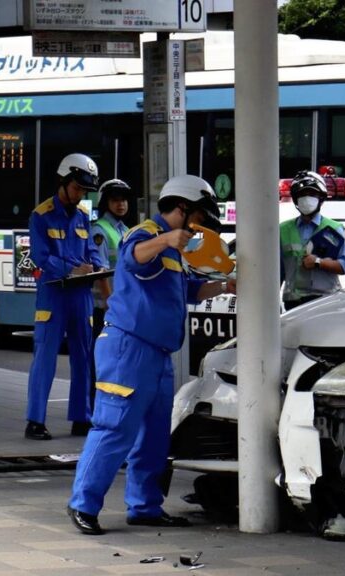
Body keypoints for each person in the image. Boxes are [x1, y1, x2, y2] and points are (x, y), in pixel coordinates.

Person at [67, 175, 236, 535]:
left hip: (157, 354)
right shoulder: (144, 234)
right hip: (128, 348)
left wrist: (225, 285)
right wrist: (165, 239)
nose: (203, 225)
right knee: (114, 428)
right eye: (200, 216)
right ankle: (83, 504)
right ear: (182, 209)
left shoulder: (176, 248)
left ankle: (145, 506)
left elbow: (189, 289)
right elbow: (132, 258)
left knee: (155, 436)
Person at [25, 153, 107, 440]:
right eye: (77, 189)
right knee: (45, 357)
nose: (80, 195)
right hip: (54, 294)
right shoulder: (41, 215)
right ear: (63, 181)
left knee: (83, 357)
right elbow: (39, 256)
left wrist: (97, 264)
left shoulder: (84, 216)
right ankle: (35, 420)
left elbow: (92, 250)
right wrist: (71, 269)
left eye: (84, 191)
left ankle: (81, 417)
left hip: (80, 294)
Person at [88, 178, 133, 410]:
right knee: (101, 364)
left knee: (117, 362)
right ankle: (95, 409)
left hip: (120, 308)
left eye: (124, 200)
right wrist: (110, 304)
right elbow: (101, 272)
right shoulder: (99, 231)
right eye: (115, 200)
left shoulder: (125, 231)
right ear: (106, 203)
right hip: (105, 309)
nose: (121, 204)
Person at [280, 170, 345, 310]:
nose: (307, 199)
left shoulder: (334, 228)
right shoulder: (283, 230)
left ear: (321, 198)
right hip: (292, 302)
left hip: (324, 301)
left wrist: (318, 262)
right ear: (295, 199)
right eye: (302, 194)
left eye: (312, 194)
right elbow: (277, 271)